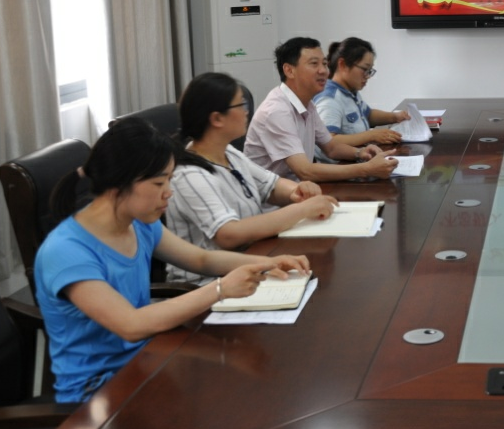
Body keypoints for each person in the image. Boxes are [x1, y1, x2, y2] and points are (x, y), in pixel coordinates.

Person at [35, 118, 311, 403]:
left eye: (169, 179)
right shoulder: (67, 251)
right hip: (96, 393)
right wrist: (220, 289)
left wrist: (268, 263)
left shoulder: (137, 223)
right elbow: (130, 325)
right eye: (159, 183)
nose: (169, 191)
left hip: (145, 362)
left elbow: (201, 259)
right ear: (119, 185)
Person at [167, 72, 340, 283]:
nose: (247, 112)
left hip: (251, 262)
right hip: (210, 283)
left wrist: (297, 191)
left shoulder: (228, 153)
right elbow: (228, 234)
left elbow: (271, 185)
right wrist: (302, 209)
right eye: (241, 106)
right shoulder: (189, 175)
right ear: (217, 118)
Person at [243, 37, 397, 182]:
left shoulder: (307, 104)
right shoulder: (276, 111)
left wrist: (360, 153)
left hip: (298, 190)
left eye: (324, 63)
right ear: (289, 70)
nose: (323, 71)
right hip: (272, 199)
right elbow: (305, 171)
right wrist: (366, 169)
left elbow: (331, 147)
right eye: (314, 64)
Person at [314, 37, 410, 146]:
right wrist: (371, 136)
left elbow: (368, 115)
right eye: (365, 69)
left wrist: (395, 117)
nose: (367, 76)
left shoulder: (350, 92)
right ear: (342, 64)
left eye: (370, 71)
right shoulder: (330, 100)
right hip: (344, 158)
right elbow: (328, 141)